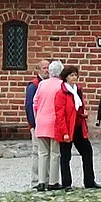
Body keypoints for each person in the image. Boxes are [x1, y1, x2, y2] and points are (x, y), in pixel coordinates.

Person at [59, 65, 100, 189]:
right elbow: (60, 114)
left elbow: (80, 106)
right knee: (66, 156)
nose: (74, 77)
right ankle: (66, 183)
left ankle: (89, 181)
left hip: (78, 126)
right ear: (65, 77)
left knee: (87, 151)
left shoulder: (78, 90)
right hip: (67, 127)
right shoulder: (61, 92)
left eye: (75, 75)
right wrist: (64, 132)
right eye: (71, 75)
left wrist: (84, 113)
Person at [32, 60, 68, 190]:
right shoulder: (61, 85)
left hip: (41, 122)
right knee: (55, 153)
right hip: (55, 123)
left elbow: (34, 103)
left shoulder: (42, 84)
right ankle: (53, 181)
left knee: (42, 153)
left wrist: (37, 118)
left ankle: (41, 181)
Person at [26, 67, 46, 190]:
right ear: (38, 70)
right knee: (37, 152)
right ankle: (35, 180)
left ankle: (44, 178)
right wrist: (33, 124)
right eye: (44, 68)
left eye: (48, 68)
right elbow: (29, 106)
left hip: (45, 125)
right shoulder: (33, 86)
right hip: (37, 125)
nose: (47, 70)